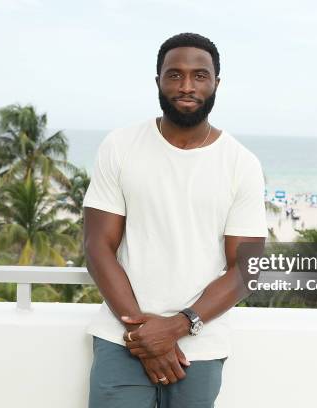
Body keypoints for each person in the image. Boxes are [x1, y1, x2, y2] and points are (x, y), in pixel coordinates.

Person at [83, 32, 267, 408]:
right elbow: (98, 246)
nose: (187, 85)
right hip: (122, 339)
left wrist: (176, 327)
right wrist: (143, 333)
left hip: (199, 345)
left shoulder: (241, 163)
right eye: (175, 74)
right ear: (158, 82)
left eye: (200, 75)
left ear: (216, 83)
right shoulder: (120, 145)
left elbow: (246, 268)